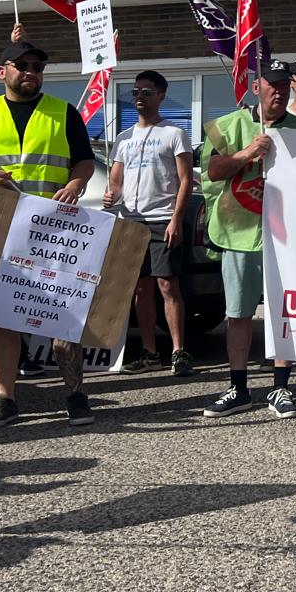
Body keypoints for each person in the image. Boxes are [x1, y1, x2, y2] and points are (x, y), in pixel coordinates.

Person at [0, 33, 97, 430]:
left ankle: (75, 395)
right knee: (4, 317)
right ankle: (5, 399)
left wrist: (77, 184)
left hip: (53, 228)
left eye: (38, 67)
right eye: (23, 66)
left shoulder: (64, 112)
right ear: (3, 72)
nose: (31, 72)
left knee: (63, 320)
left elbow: (84, 161)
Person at [200, 58, 296, 419]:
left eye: (284, 84)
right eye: (271, 83)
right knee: (239, 314)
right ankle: (238, 387)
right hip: (239, 235)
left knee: (283, 313)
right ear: (256, 86)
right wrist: (247, 153)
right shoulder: (229, 126)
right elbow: (212, 171)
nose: (278, 90)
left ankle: (281, 386)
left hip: (286, 237)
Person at [104, 71, 195, 376]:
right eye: (135, 92)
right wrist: (111, 195)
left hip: (161, 220)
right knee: (140, 290)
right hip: (131, 222)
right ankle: (149, 352)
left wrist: (176, 219)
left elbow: (185, 181)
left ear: (161, 95)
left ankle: (179, 351)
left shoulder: (174, 133)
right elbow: (116, 181)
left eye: (146, 92)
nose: (140, 97)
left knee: (168, 285)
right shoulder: (123, 138)